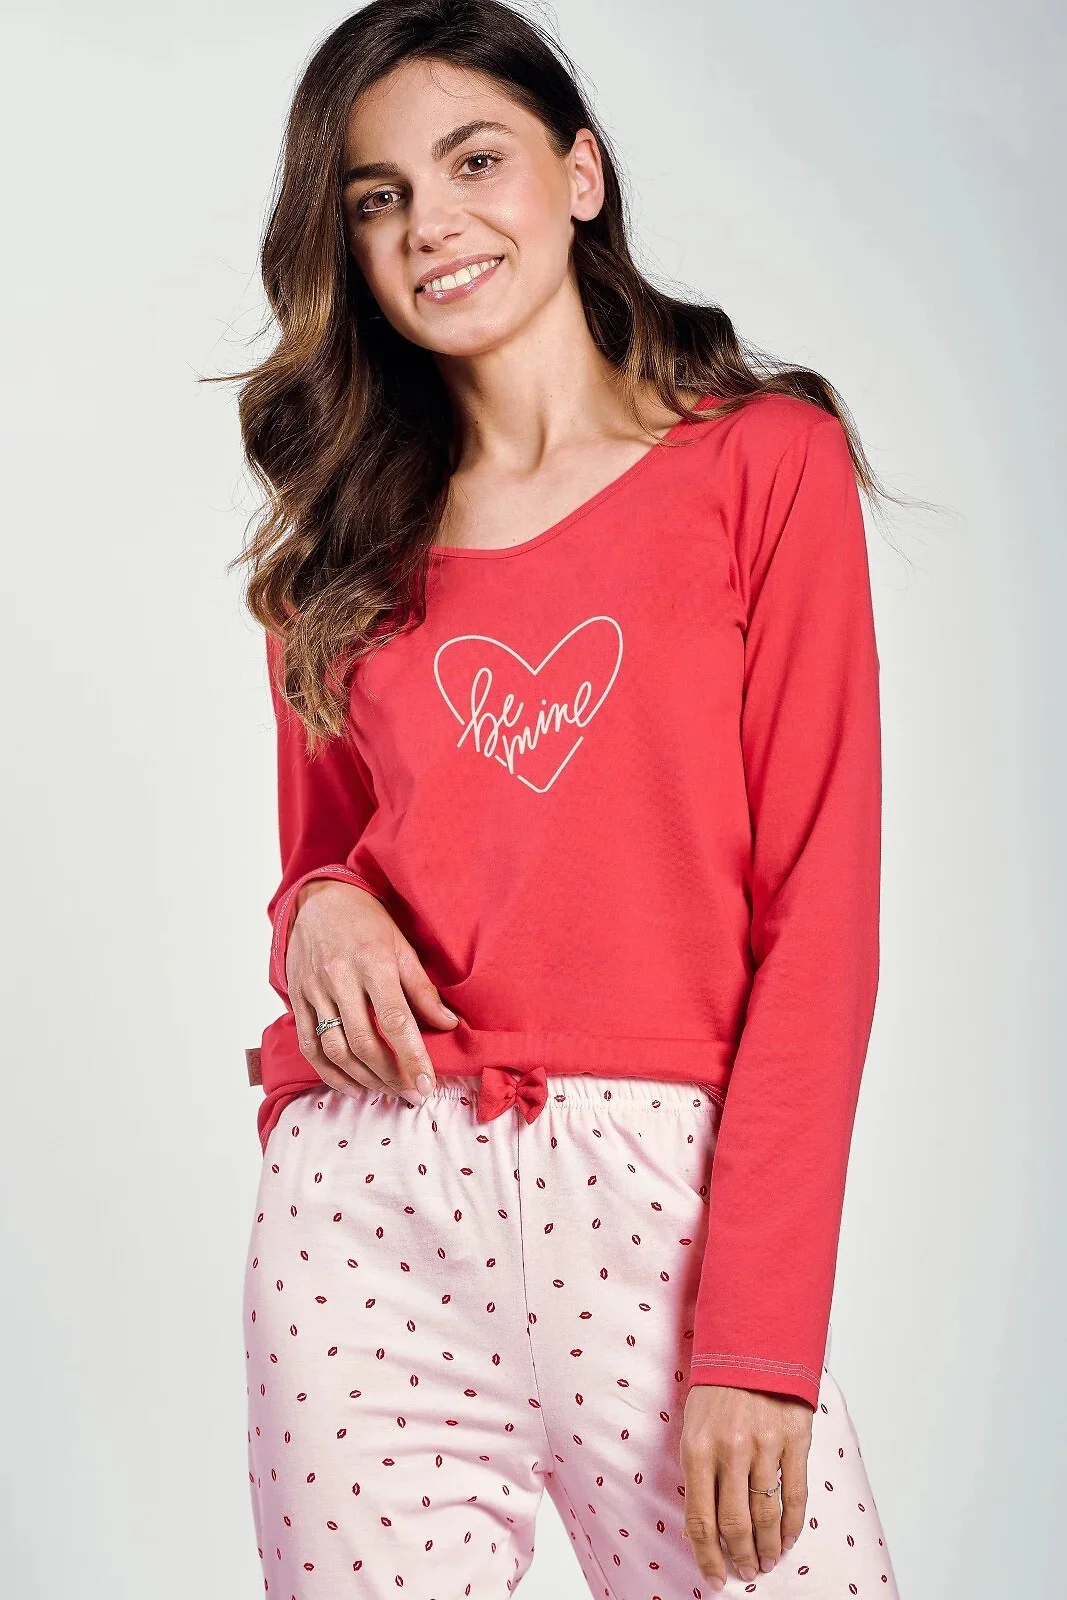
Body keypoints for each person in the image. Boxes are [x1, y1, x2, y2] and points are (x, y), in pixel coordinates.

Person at [227, 2, 902, 1594]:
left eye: (475, 161)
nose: (431, 223)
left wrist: (759, 1339)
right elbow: (319, 863)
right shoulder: (339, 552)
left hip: (662, 1203)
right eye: (378, 197)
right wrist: (313, 912)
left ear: (579, 175)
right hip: (370, 1204)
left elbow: (820, 918)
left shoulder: (761, 468)